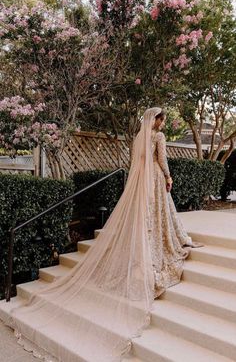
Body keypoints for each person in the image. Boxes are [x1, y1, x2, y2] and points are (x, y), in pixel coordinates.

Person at [6, 107, 203, 362]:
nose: (163, 123)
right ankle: (163, 242)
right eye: (162, 119)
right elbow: (162, 160)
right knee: (159, 214)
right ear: (157, 120)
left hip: (141, 180)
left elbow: (136, 162)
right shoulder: (158, 137)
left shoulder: (137, 137)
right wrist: (168, 176)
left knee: (148, 216)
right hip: (154, 177)